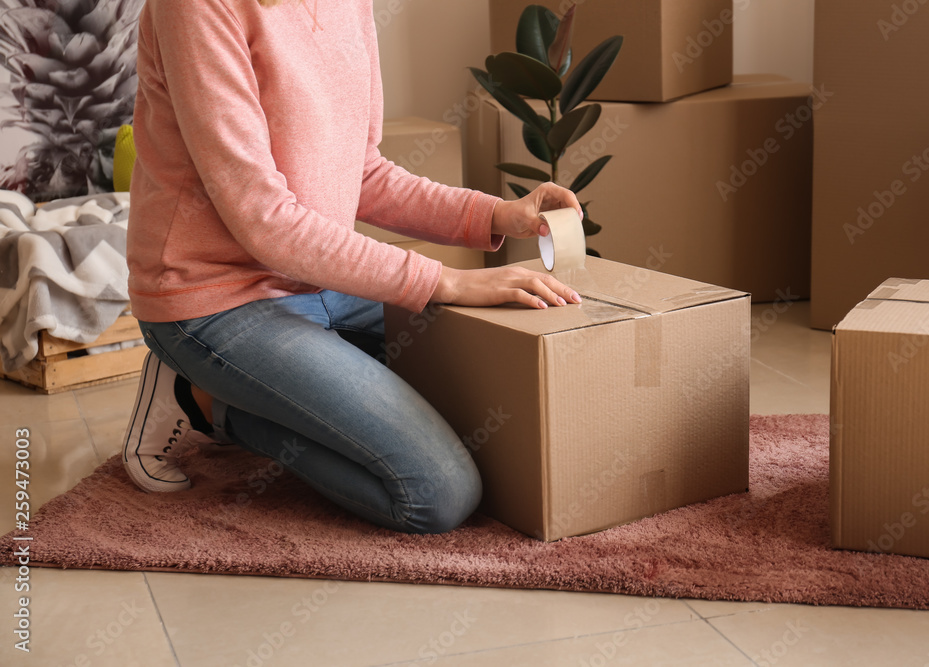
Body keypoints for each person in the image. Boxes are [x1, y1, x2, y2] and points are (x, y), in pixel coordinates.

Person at [120, 0, 583, 535]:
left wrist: (498, 213)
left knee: (487, 393)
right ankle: (204, 403)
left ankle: (247, 387)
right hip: (217, 298)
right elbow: (263, 220)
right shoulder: (196, 8)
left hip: (319, 279)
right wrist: (446, 281)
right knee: (436, 492)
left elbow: (364, 173)